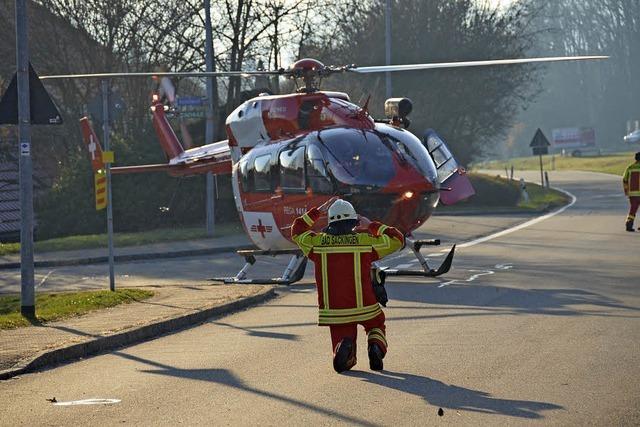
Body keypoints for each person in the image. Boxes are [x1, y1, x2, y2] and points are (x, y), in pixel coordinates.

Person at [291, 197, 404, 373]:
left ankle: (344, 347)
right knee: (376, 324)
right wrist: (371, 226)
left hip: (334, 310)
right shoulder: (366, 241)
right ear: (353, 222)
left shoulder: (316, 243)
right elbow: (397, 239)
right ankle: (375, 345)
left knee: (341, 336)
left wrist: (316, 211)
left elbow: (296, 230)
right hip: (366, 306)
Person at [623, 152, 640, 232]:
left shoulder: (630, 167)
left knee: (633, 210)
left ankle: (629, 225)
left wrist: (626, 191)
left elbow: (625, 180)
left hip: (633, 194)